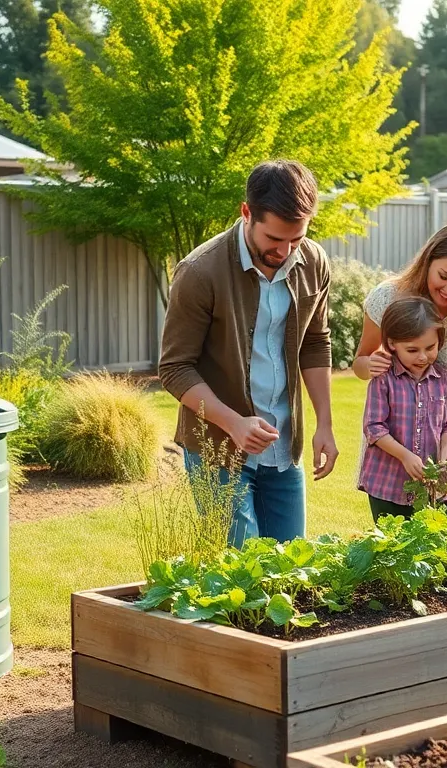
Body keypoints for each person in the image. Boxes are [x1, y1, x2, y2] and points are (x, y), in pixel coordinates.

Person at [158, 159, 339, 546]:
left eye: (297, 238)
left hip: (283, 449)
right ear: (246, 213)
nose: (287, 250)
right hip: (217, 451)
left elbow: (315, 341)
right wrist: (234, 423)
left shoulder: (314, 262)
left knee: (289, 571)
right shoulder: (200, 272)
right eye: (275, 239)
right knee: (241, 575)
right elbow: (175, 369)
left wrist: (324, 424)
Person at [353, 221, 447, 498]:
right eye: (444, 276)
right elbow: (361, 362)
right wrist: (369, 365)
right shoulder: (388, 297)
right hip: (393, 454)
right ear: (428, 261)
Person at [358, 296, 447, 520]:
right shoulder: (383, 379)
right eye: (412, 350)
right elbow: (374, 428)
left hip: (433, 485)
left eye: (430, 347)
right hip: (388, 486)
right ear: (392, 344)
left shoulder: (445, 379)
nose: (423, 356)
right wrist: (405, 456)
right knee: (394, 548)